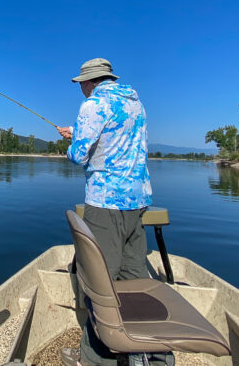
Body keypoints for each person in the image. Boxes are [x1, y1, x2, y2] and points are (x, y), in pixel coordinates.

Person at [58, 58, 154, 366]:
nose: (81, 90)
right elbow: (115, 139)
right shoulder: (135, 104)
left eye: (81, 84)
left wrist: (71, 143)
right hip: (137, 201)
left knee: (100, 283)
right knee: (134, 279)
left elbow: (79, 155)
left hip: (105, 203)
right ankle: (142, 351)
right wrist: (78, 131)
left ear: (91, 81)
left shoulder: (93, 105)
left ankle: (97, 357)